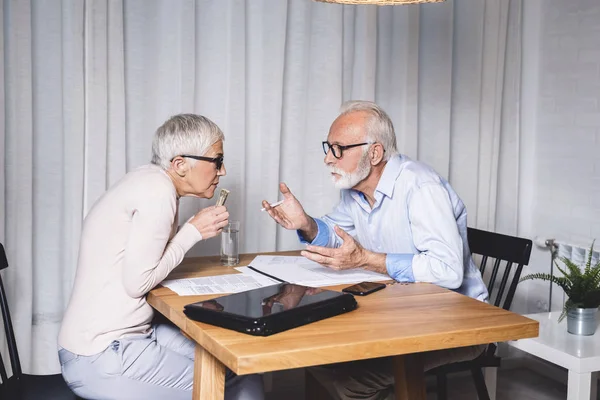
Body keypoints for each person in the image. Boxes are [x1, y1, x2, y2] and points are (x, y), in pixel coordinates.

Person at [262, 101, 489, 400]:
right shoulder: (356, 190)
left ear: (375, 153)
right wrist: (306, 224)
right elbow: (337, 235)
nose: (328, 159)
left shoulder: (421, 187)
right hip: (400, 311)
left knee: (351, 382)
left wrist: (365, 259)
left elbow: (446, 271)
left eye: (338, 149)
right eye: (327, 148)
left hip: (457, 321)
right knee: (313, 356)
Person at [58, 114, 264, 400]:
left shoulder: (149, 179)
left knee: (237, 368)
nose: (223, 170)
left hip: (123, 338)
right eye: (217, 160)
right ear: (180, 164)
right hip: (102, 354)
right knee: (235, 387)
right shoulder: (157, 191)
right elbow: (138, 283)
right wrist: (192, 232)